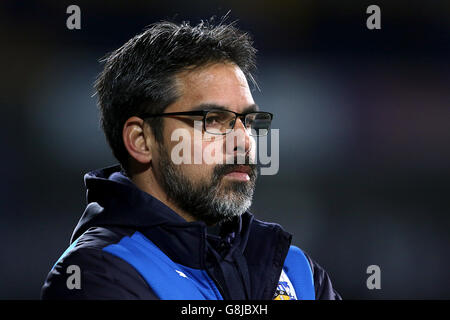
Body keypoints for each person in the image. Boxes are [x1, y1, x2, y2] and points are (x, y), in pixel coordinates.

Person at [41, 18, 341, 300]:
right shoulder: (95, 274)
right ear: (141, 140)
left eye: (248, 121)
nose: (243, 141)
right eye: (213, 119)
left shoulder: (294, 268)